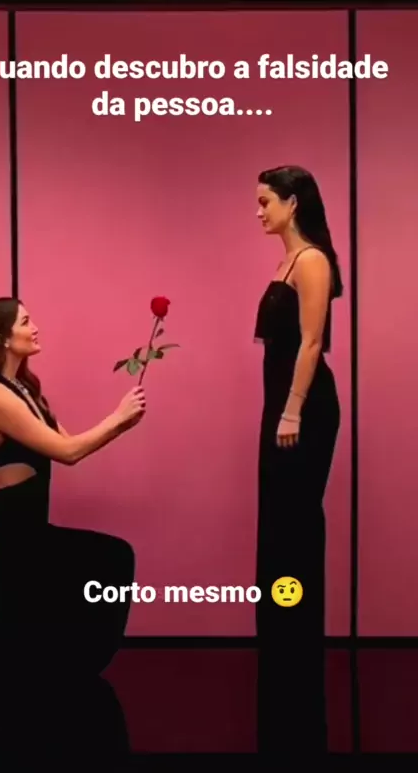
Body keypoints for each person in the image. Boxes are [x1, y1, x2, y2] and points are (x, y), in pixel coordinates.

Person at [0, 296, 146, 678]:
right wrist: (119, 418)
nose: (35, 328)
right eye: (25, 322)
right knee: (22, 650)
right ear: (2, 338)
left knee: (112, 559)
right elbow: (68, 453)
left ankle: (81, 672)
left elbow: (68, 443)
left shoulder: (24, 389)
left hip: (29, 536)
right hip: (8, 541)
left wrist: (121, 424)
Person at [253, 165, 342, 753]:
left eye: (266, 202)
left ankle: (298, 637)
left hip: (302, 408)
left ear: (292, 203)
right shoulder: (285, 261)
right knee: (279, 523)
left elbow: (311, 343)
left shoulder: (311, 261)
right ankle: (282, 631)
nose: (258, 212)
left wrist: (292, 411)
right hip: (281, 406)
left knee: (297, 522)